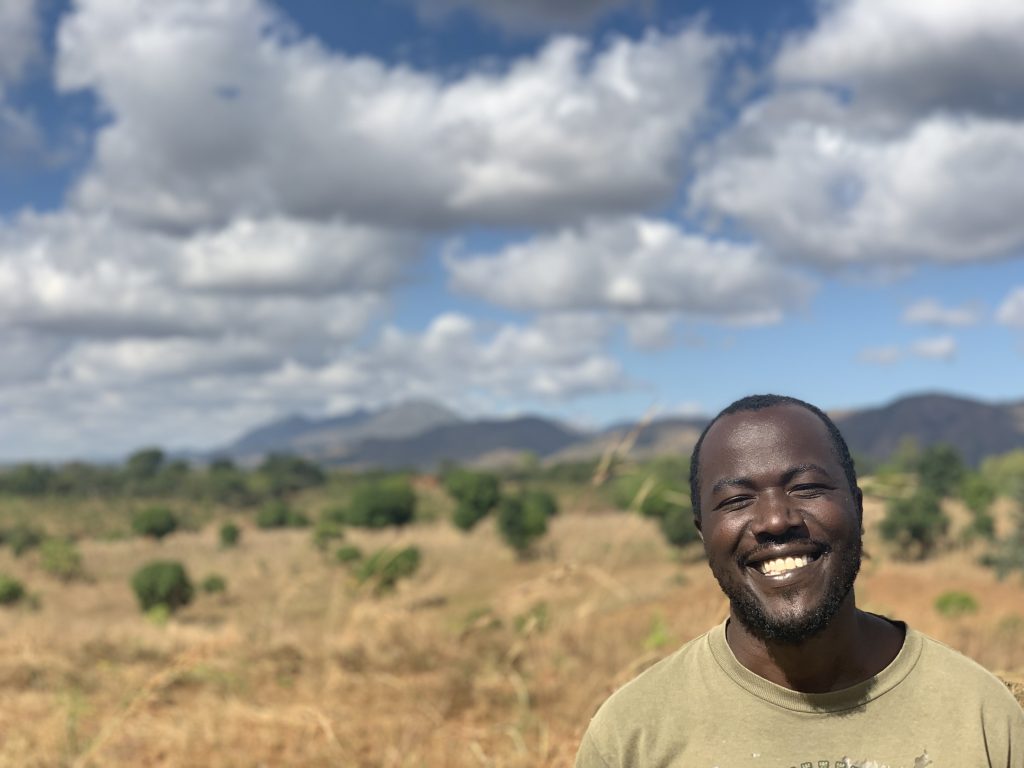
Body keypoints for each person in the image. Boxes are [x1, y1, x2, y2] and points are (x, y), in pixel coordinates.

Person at [575, 394, 1024, 768]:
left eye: (807, 488)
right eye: (737, 499)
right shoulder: (632, 737)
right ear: (702, 535)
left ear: (858, 508)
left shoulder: (981, 716)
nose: (775, 519)